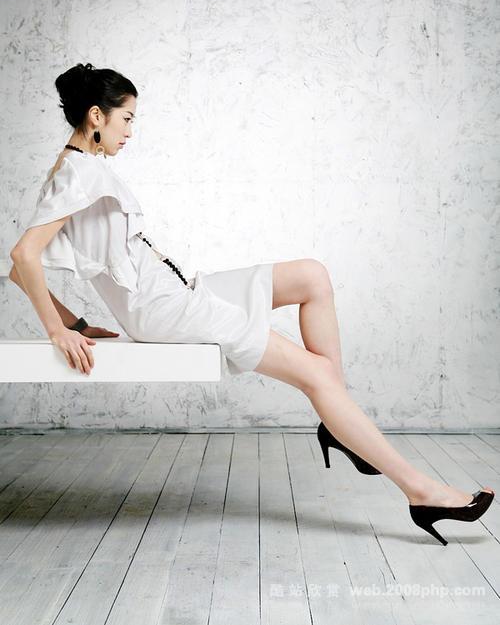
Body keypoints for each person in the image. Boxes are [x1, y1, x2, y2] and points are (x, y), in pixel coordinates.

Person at [9, 63, 494, 546]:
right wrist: (59, 330)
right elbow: (22, 258)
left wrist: (79, 323)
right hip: (165, 310)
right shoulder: (78, 175)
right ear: (97, 115)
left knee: (312, 276)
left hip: (182, 290)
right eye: (127, 119)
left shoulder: (79, 167)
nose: (131, 131)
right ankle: (420, 491)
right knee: (317, 375)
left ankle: (340, 422)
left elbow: (19, 271)